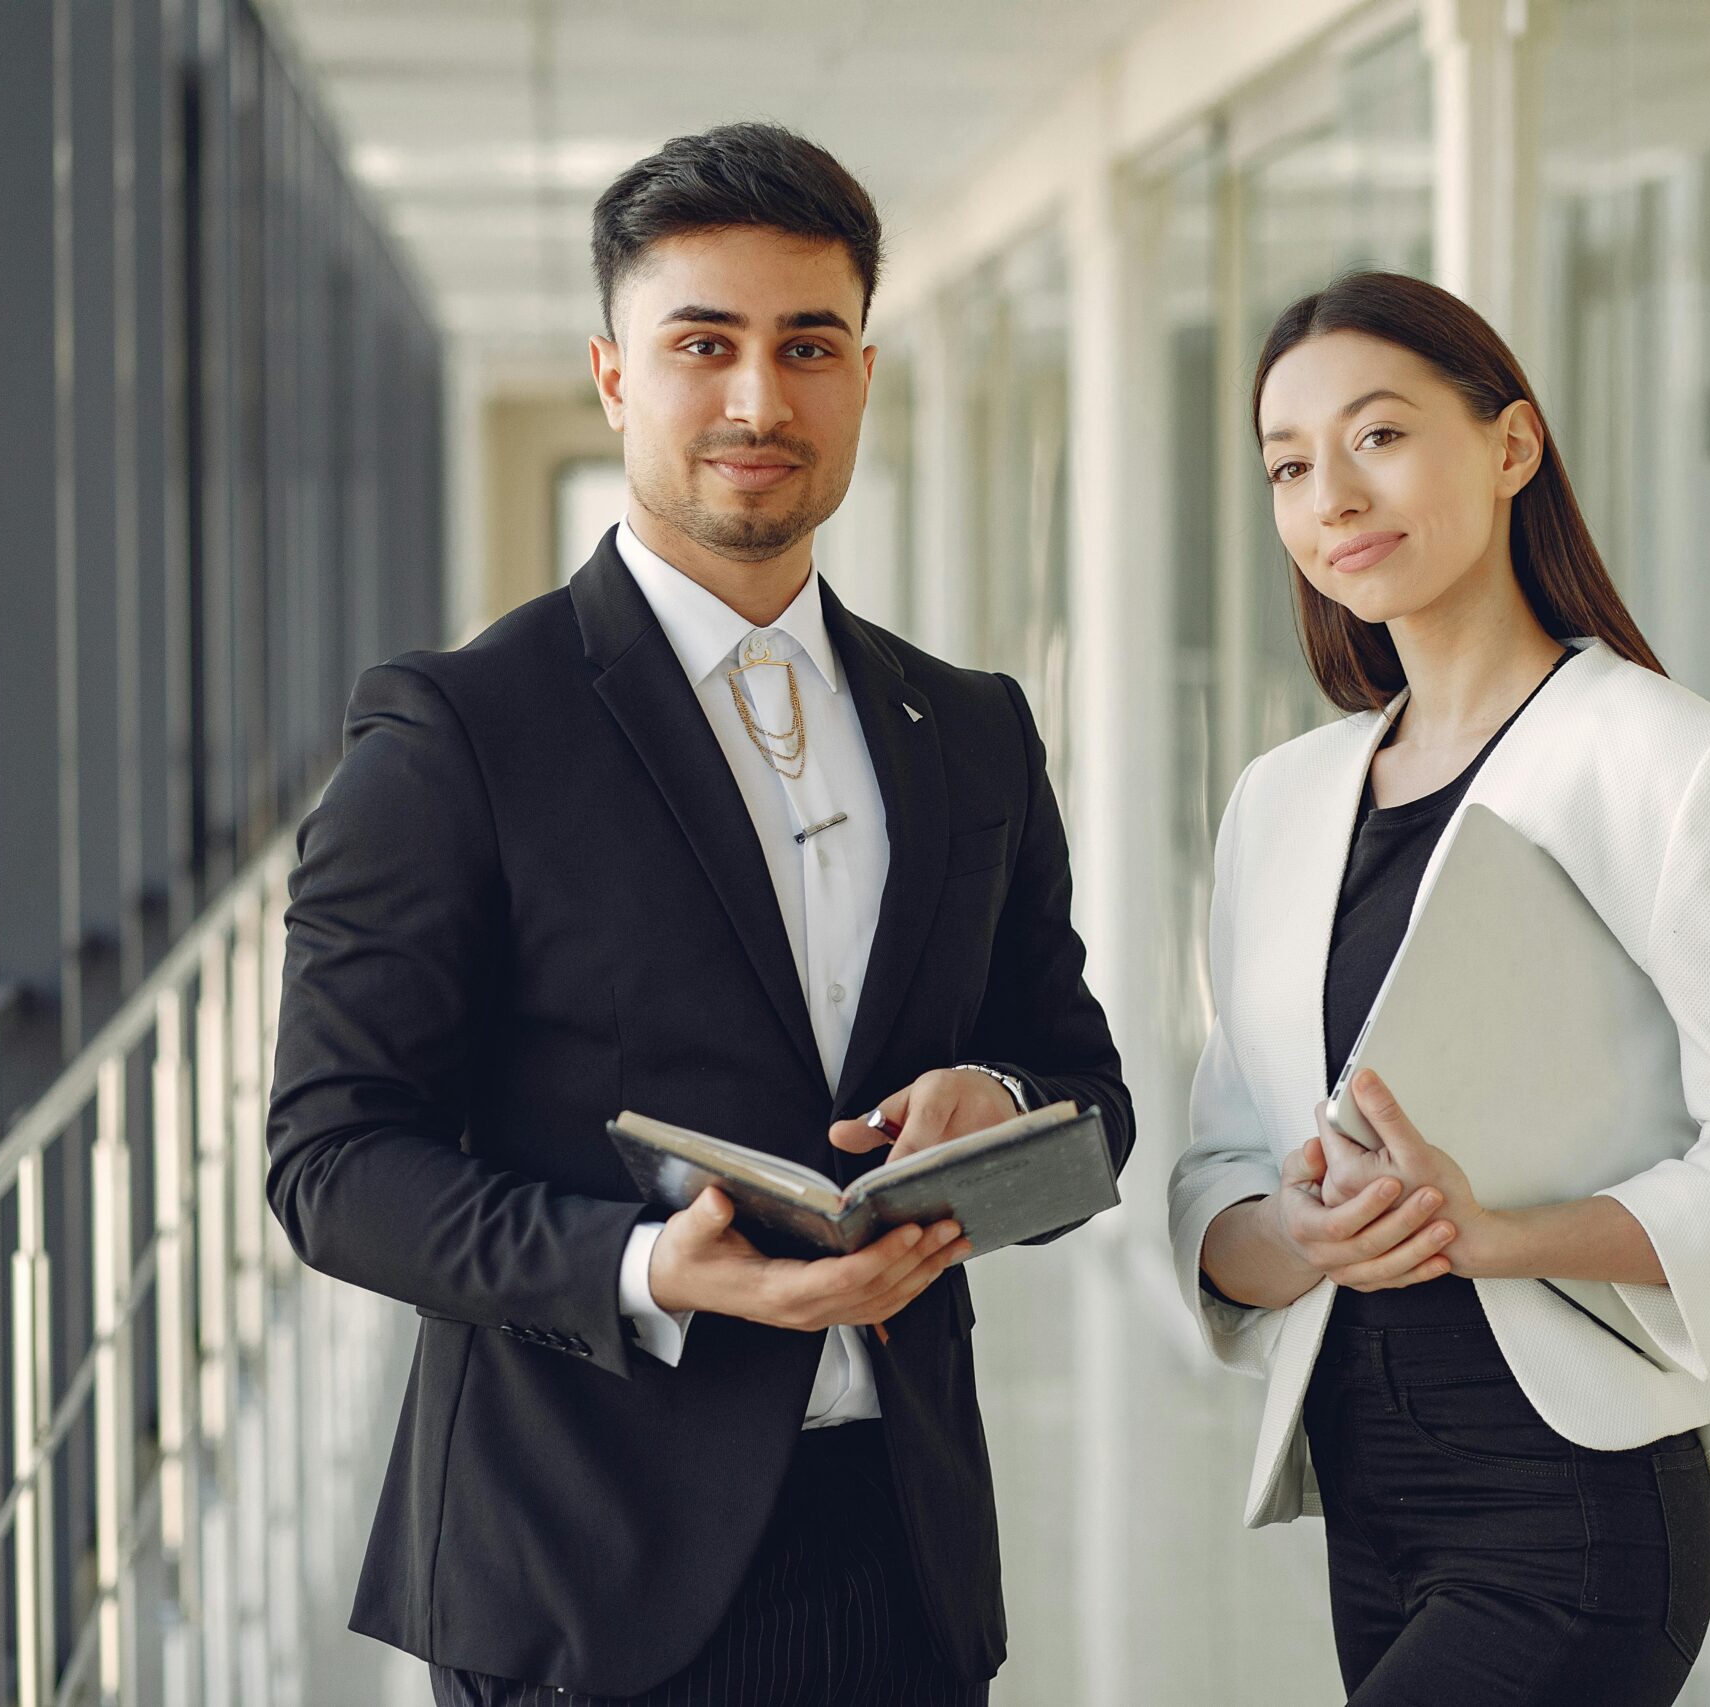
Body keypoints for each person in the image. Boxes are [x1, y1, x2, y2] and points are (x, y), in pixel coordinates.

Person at [266, 122, 1132, 1707]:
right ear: (614, 374)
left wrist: (997, 1104)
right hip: (581, 1572)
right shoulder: (457, 728)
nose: (758, 398)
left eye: (807, 345)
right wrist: (652, 1266)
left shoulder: (973, 729)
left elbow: (1088, 1096)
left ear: (863, 373)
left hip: (905, 1557)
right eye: (702, 344)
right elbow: (331, 1166)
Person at [1167, 271, 1710, 1705]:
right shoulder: (1281, 800)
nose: (1332, 498)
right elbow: (1214, 1185)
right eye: (1290, 467)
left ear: (1510, 446)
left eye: (1379, 437)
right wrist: (1301, 1231)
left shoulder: (1668, 764)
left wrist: (1499, 1234)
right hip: (1367, 1499)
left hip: (1573, 1504)